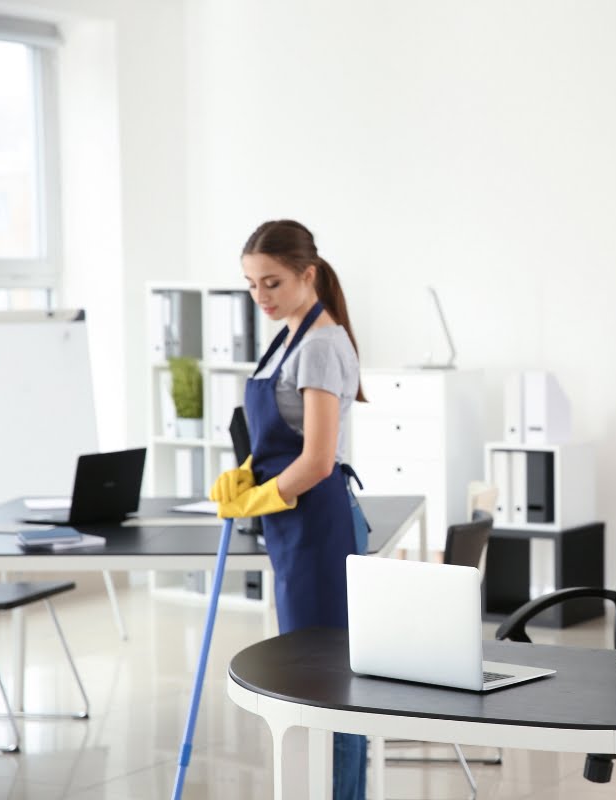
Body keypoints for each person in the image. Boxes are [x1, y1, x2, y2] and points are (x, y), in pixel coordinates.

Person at [209, 219, 368, 800]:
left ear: (308, 274)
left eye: (272, 283)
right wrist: (249, 472)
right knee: (309, 676)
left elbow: (319, 459)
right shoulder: (289, 337)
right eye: (251, 285)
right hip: (291, 522)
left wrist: (260, 496)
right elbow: (281, 436)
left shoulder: (323, 344)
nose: (261, 297)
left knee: (331, 683)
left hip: (318, 522)